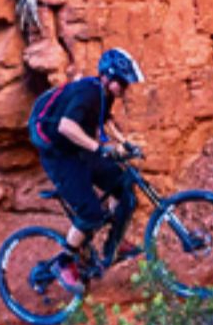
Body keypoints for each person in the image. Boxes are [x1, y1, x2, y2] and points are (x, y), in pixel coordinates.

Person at [27, 48, 145, 294]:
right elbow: (66, 126)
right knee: (90, 213)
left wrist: (124, 144)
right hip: (58, 155)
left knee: (123, 184)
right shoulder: (87, 92)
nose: (125, 88)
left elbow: (106, 120)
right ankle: (63, 262)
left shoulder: (104, 94)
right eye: (122, 82)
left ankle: (114, 243)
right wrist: (99, 148)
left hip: (78, 150)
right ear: (108, 77)